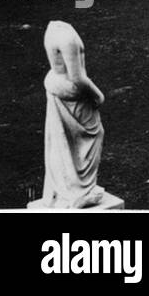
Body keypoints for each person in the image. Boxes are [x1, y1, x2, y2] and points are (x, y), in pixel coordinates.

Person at [40, 20, 107, 209]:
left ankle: (63, 188)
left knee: (62, 140)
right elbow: (77, 78)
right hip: (71, 91)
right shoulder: (67, 37)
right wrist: (98, 95)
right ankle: (80, 191)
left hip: (56, 84)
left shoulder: (52, 28)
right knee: (94, 133)